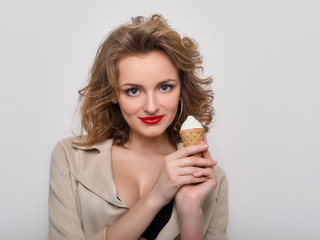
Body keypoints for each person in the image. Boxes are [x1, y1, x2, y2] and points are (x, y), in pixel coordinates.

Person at [48, 14, 228, 240]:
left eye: (165, 87)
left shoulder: (210, 177)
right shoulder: (70, 158)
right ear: (113, 93)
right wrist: (156, 196)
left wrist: (190, 209)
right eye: (133, 90)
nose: (151, 107)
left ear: (181, 87)